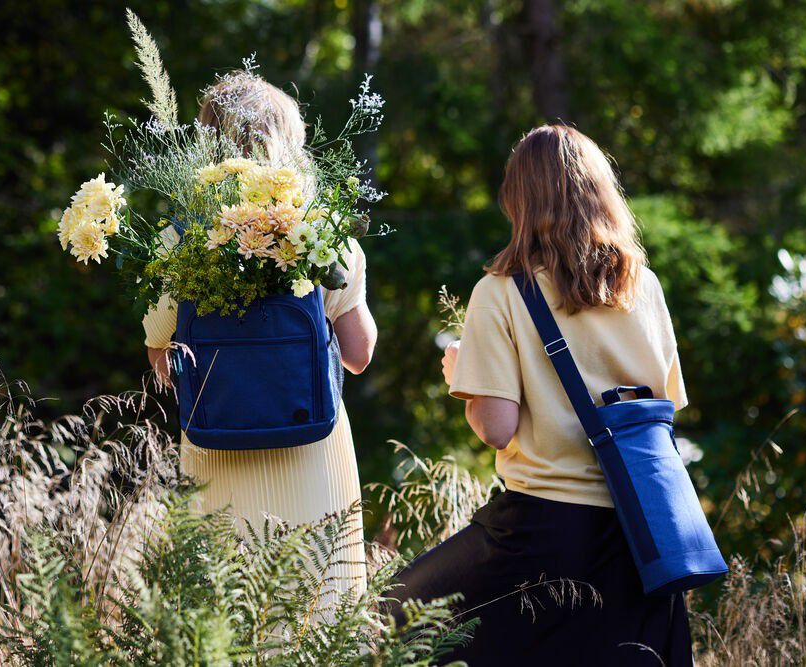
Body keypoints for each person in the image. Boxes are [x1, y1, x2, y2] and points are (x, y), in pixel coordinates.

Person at [387, 125, 693, 665]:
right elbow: (667, 408)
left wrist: (464, 373)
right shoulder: (643, 285)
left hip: (540, 532)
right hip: (642, 536)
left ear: (519, 201)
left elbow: (496, 427)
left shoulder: (501, 291)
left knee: (393, 617)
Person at [142, 71, 377, 600]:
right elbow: (359, 356)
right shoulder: (323, 233)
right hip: (312, 445)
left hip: (216, 447)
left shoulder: (181, 239)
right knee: (321, 611)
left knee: (228, 612)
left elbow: (163, 361)